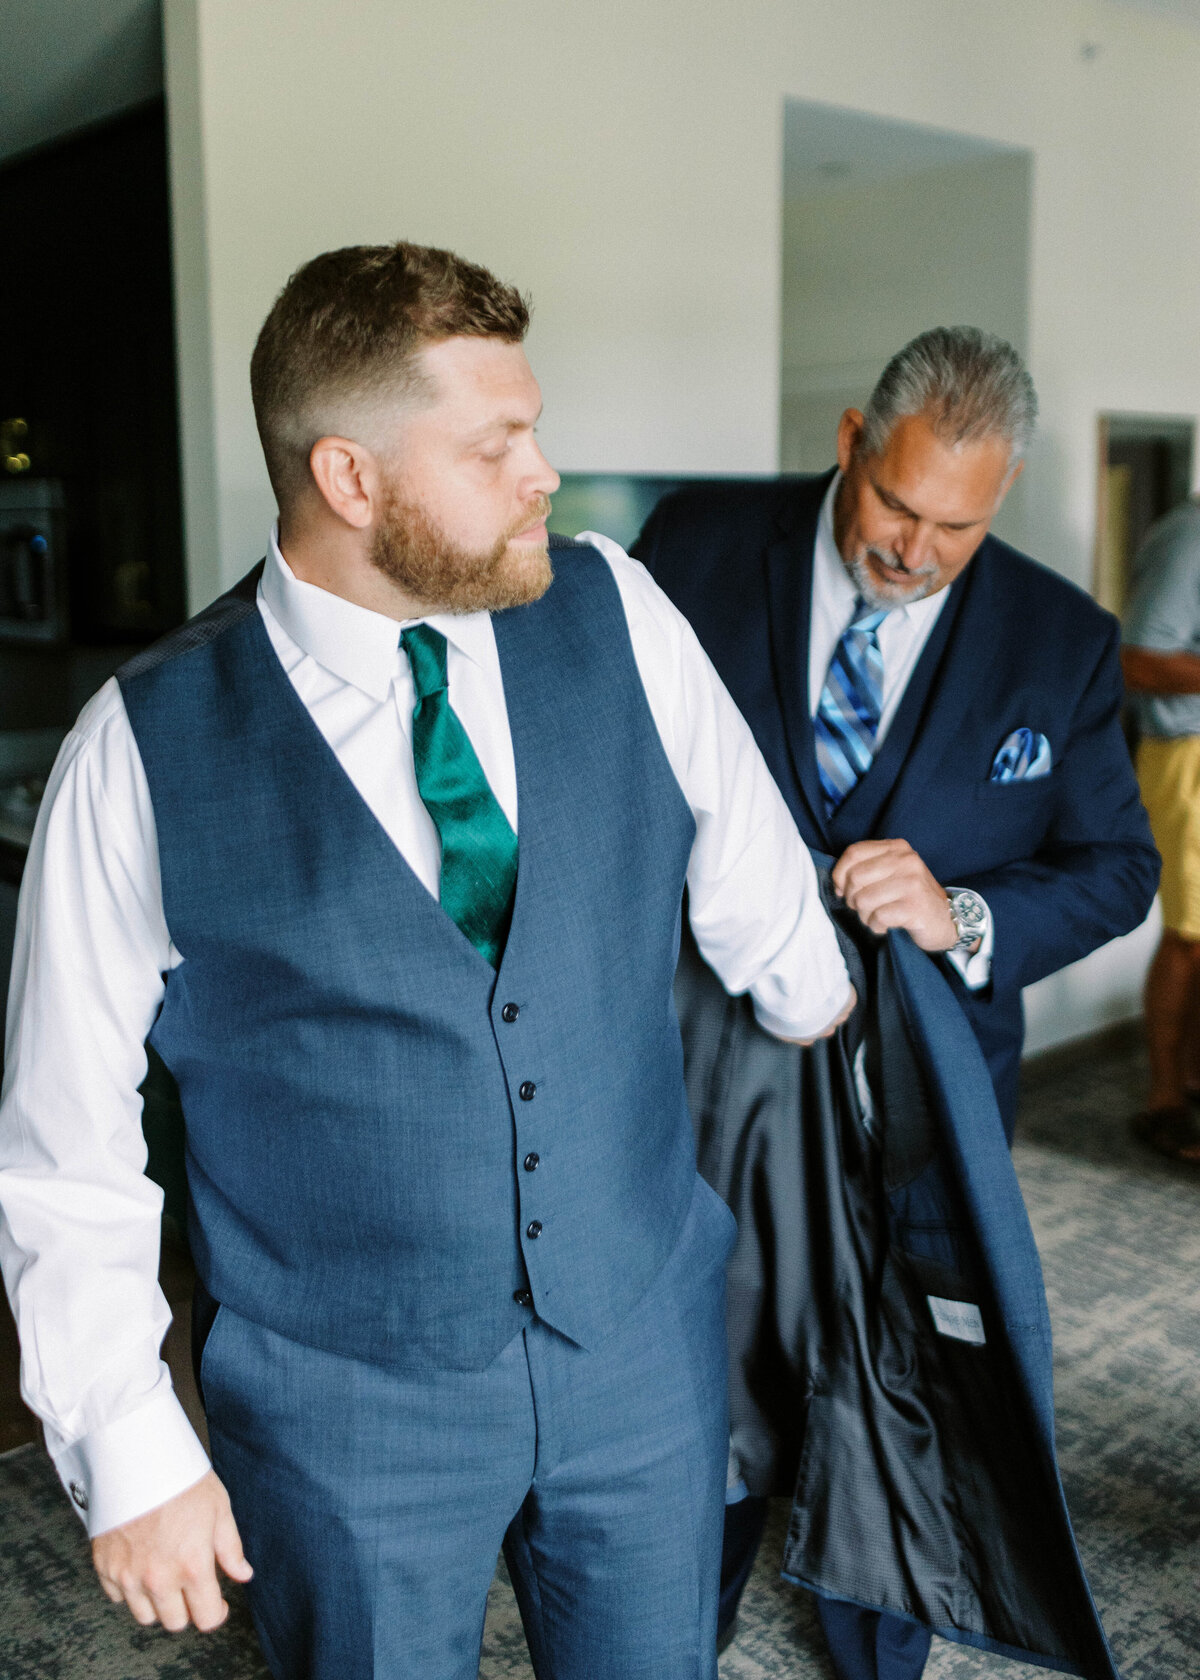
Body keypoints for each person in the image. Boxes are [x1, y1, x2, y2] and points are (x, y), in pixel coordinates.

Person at [0, 242, 855, 1680]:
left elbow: (761, 886)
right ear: (351, 478)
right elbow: (64, 1146)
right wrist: (125, 1439)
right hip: (343, 1412)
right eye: (497, 443)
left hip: (637, 1350)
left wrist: (813, 985)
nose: (544, 473)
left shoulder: (622, 613)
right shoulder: (138, 751)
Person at [633, 326, 1159, 1680]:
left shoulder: (1063, 638)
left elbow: (1118, 872)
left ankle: (880, 1646)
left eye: (957, 526)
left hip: (920, 1092)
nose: (914, 550)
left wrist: (965, 914)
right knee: (707, 1352)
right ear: (853, 439)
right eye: (896, 505)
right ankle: (675, 1622)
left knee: (903, 1374)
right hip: (708, 1073)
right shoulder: (691, 545)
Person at [1121, 493, 1200, 1163]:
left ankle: (1193, 1079)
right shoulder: (1190, 539)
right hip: (1186, 761)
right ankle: (1164, 1102)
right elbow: (1138, 660)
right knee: (1190, 938)